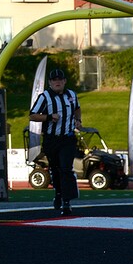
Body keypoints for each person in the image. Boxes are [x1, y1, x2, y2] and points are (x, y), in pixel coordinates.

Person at [29, 68, 82, 215]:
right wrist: (48, 117)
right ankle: (58, 193)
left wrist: (78, 120)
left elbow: (77, 108)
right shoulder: (44, 97)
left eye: (60, 79)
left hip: (68, 138)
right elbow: (32, 115)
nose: (57, 82)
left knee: (66, 168)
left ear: (64, 81)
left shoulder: (72, 95)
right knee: (56, 169)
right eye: (54, 80)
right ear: (50, 83)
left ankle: (67, 201)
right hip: (51, 139)